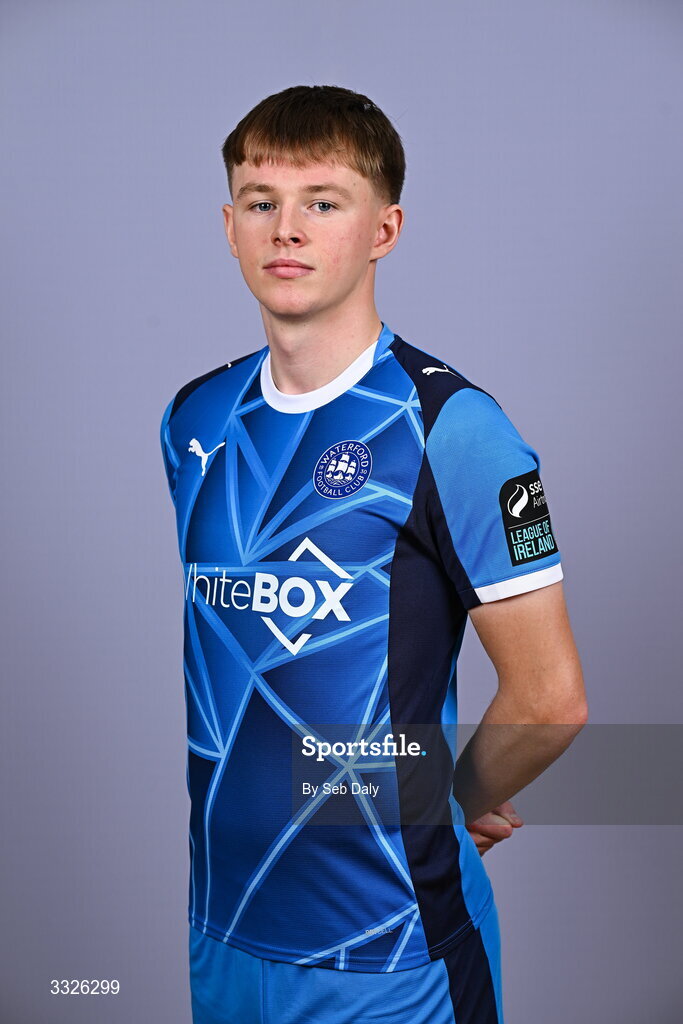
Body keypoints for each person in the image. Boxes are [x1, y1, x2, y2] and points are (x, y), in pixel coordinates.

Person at [159, 84, 587, 1024]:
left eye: (323, 201)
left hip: (389, 947)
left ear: (383, 230)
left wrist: (443, 799)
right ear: (228, 227)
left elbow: (550, 700)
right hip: (222, 927)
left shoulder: (455, 431)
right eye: (262, 202)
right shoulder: (194, 418)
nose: (288, 230)